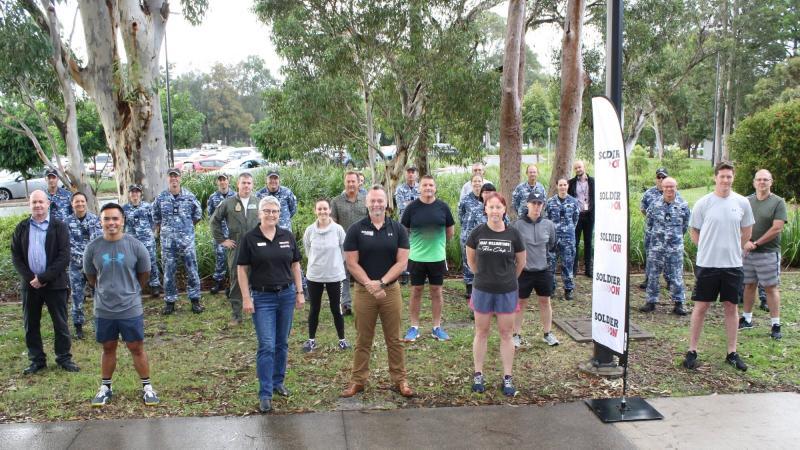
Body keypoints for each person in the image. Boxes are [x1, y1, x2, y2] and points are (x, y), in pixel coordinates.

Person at [84, 203, 160, 407]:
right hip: (104, 309)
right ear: (101, 222)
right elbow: (91, 277)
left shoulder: (135, 246)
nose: (111, 223)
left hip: (130, 307)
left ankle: (147, 387)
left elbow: (144, 274)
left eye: (115, 218)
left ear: (122, 220)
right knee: (108, 347)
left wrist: (131, 291)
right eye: (106, 219)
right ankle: (106, 388)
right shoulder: (93, 248)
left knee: (136, 347)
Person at [340, 186, 412, 399]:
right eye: (372, 201)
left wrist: (381, 283)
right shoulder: (355, 229)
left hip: (390, 291)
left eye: (380, 200)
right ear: (366, 203)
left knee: (395, 339)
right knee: (363, 339)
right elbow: (351, 263)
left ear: (386, 203)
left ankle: (400, 380)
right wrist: (370, 284)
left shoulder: (397, 229)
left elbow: (402, 262)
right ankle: (358, 381)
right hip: (364, 292)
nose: (376, 204)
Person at [683, 161, 754, 372]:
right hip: (707, 264)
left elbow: (747, 231)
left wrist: (734, 248)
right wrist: (706, 247)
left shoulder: (742, 203)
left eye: (729, 177)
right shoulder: (704, 203)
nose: (725, 180)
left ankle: (732, 353)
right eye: (722, 176)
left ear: (733, 178)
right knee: (701, 307)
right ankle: (692, 351)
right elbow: (694, 231)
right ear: (716, 178)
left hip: (732, 264)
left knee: (731, 307)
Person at [237, 196, 305, 414]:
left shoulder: (287, 236)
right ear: (260, 213)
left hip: (286, 295)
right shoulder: (250, 238)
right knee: (266, 344)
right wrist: (246, 298)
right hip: (262, 298)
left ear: (279, 214)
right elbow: (241, 269)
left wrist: (300, 291)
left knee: (282, 343)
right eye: (267, 211)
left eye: (275, 211)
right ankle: (265, 393)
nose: (271, 214)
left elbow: (295, 265)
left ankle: (278, 382)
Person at [11, 190, 80, 374]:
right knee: (31, 324)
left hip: (55, 284)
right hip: (30, 285)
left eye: (41, 202)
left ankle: (64, 358)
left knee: (60, 323)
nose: (38, 205)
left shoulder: (59, 227)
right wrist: (31, 278)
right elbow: (16, 257)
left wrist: (43, 278)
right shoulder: (22, 227)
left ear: (48, 203)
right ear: (29, 204)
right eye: (34, 202)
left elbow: (64, 256)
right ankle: (37, 360)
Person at [466, 192, 526, 396]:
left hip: (507, 291)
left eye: (498, 207)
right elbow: (471, 261)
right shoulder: (477, 233)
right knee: (481, 332)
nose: (494, 211)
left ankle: (507, 377)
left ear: (504, 210)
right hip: (482, 289)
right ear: (485, 209)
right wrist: (483, 277)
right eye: (490, 207)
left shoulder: (513, 234)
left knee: (506, 334)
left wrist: (507, 279)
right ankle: (478, 374)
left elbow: (521, 263)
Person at [401, 175, 455, 342]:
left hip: (437, 258)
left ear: (435, 187)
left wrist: (437, 245)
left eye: (431, 185)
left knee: (436, 292)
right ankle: (414, 327)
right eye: (425, 185)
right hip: (416, 257)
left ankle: (436, 327)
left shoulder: (443, 207)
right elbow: (404, 230)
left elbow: (450, 232)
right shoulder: (412, 208)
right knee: (416, 291)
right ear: (419, 188)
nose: (428, 188)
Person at [739, 169, 787, 340]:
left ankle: (775, 324)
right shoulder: (746, 201)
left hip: (767, 253)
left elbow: (777, 227)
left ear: (771, 182)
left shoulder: (778, 202)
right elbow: (738, 223)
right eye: (759, 179)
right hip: (747, 252)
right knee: (749, 285)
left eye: (765, 180)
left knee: (770, 288)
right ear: (754, 182)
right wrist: (745, 242)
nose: (762, 183)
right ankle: (747, 319)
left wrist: (756, 243)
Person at [210, 172, 260, 325]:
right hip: (237, 246)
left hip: (256, 246)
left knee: (259, 278)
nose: (246, 186)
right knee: (236, 279)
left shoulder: (258, 202)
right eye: (243, 183)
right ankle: (237, 315)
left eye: (249, 183)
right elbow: (214, 221)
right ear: (237, 184)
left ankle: (258, 311)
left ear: (252, 185)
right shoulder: (228, 203)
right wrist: (222, 240)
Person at [152, 168, 204, 315]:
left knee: (192, 270)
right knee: (169, 272)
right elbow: (155, 217)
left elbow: (197, 215)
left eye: (176, 176)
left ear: (180, 178)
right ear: (167, 179)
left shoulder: (189, 196)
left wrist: (185, 229)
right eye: (171, 177)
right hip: (168, 243)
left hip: (186, 242)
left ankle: (195, 300)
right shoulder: (161, 198)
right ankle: (170, 302)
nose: (173, 179)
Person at [512, 190, 558, 348]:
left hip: (543, 270)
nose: (537, 206)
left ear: (543, 206)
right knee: (520, 302)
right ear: (528, 204)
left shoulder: (549, 225)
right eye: (534, 203)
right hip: (524, 271)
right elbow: (513, 247)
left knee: (545, 301)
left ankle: (547, 333)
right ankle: (516, 334)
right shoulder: (518, 225)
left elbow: (551, 244)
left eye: (540, 204)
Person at [638, 177, 690, 316]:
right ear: (662, 187)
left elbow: (685, 226)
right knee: (653, 274)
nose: (669, 189)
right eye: (666, 186)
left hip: (674, 247)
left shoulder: (683, 205)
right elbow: (649, 225)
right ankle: (651, 301)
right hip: (657, 246)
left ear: (676, 187)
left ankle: (678, 303)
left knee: (676, 275)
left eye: (671, 187)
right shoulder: (654, 205)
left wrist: (675, 238)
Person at [302, 199, 349, 352]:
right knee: (314, 308)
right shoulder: (310, 230)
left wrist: (335, 263)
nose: (322, 212)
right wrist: (318, 263)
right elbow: (307, 249)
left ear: (330, 210)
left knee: (336, 308)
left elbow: (345, 249)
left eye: (325, 209)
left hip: (334, 275)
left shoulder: (338, 229)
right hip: (314, 276)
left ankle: (342, 340)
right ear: (315, 211)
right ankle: (311, 341)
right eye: (319, 209)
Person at [330, 171, 368, 316]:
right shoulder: (336, 201)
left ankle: (365, 301)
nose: (351, 184)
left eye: (354, 181)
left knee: (364, 273)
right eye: (348, 181)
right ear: (344, 183)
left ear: (359, 183)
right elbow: (333, 223)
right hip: (344, 245)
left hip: (364, 243)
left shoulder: (366, 199)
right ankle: (346, 304)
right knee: (344, 274)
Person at [65, 192, 102, 339]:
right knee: (77, 296)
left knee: (98, 296)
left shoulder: (94, 220)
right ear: (72, 204)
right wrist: (83, 259)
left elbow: (97, 241)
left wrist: (90, 260)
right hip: (75, 266)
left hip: (93, 267)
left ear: (86, 203)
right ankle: (78, 326)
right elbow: (68, 245)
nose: (80, 204)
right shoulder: (66, 222)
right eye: (76, 202)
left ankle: (99, 325)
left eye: (82, 201)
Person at [639, 168, 684, 289]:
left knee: (670, 258)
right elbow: (643, 209)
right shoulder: (649, 193)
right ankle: (649, 279)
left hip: (671, 234)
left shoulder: (675, 195)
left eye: (663, 177)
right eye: (659, 177)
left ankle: (669, 281)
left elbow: (684, 220)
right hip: (652, 232)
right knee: (651, 255)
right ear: (656, 178)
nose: (661, 179)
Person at [123, 184, 161, 297]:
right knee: (132, 263)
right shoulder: (124, 209)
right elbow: (122, 225)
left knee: (151, 262)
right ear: (129, 194)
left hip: (147, 240)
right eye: (132, 192)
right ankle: (135, 287)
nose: (135, 194)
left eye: (137, 192)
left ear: (141, 194)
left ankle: (155, 286)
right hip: (131, 241)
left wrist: (150, 233)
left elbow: (153, 222)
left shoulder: (148, 207)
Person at [546, 178, 579, 300]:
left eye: (565, 185)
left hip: (568, 239)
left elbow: (575, 218)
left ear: (568, 186)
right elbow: (547, 219)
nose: (563, 187)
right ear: (557, 186)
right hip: (553, 239)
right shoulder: (550, 202)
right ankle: (551, 289)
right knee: (551, 265)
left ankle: (568, 289)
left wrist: (568, 229)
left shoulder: (574, 202)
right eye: (560, 185)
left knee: (567, 264)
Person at [207, 174, 236, 295]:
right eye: (220, 180)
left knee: (233, 260)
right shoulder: (213, 198)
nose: (222, 182)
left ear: (228, 181)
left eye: (224, 180)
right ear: (217, 183)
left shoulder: (235, 196)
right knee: (220, 258)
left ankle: (231, 284)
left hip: (233, 233)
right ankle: (218, 282)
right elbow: (211, 216)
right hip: (220, 234)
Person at [458, 174, 486, 300]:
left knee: (482, 261)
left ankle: (482, 286)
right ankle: (469, 287)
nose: (477, 184)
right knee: (468, 260)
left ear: (482, 182)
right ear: (471, 183)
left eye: (479, 181)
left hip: (483, 237)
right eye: (474, 181)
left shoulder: (486, 199)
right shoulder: (465, 199)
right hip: (467, 236)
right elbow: (461, 216)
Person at [568, 160, 594, 277]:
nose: (578, 169)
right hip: (577, 216)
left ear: (584, 167)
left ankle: (588, 269)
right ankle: (574, 270)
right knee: (575, 243)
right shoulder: (571, 183)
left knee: (589, 242)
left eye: (579, 167)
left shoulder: (593, 182)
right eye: (576, 168)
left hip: (589, 216)